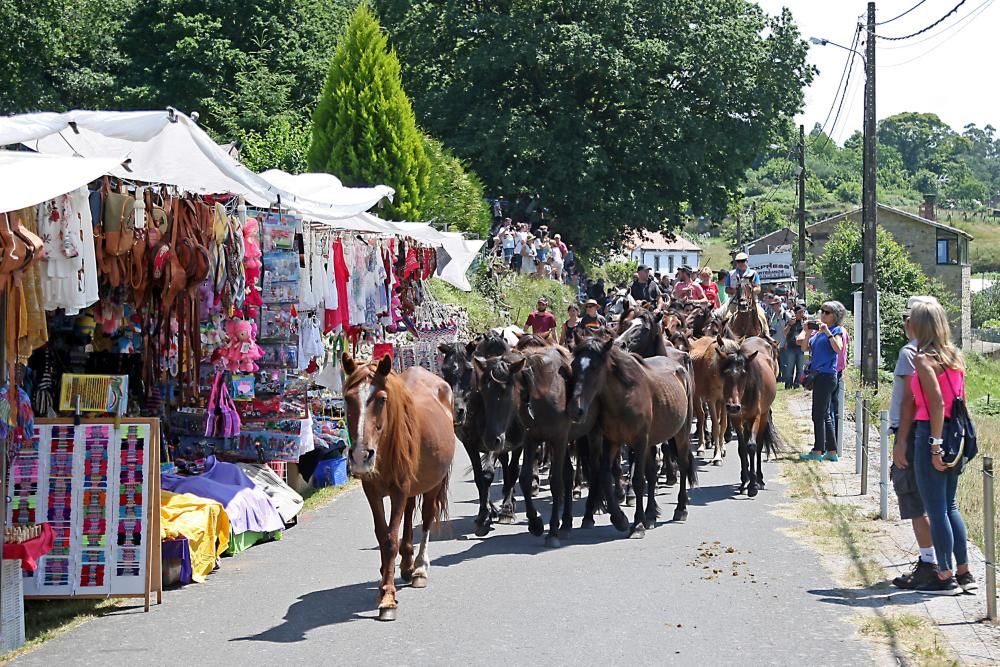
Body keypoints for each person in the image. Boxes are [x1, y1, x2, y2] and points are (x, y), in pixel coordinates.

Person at [902, 300, 975, 594]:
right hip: (956, 433)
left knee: (936, 508)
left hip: (930, 433)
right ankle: (964, 569)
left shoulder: (923, 359)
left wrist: (934, 445)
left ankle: (944, 575)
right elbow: (960, 401)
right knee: (950, 505)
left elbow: (936, 404)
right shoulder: (955, 357)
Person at [890, 296, 942, 591]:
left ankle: (928, 563)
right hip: (937, 432)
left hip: (912, 433)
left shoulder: (910, 354)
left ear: (914, 323)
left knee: (912, 497)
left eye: (907, 319)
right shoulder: (948, 353)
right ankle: (952, 566)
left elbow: (909, 400)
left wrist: (900, 441)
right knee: (942, 503)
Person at [799, 301, 846, 461]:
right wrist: (806, 332)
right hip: (818, 375)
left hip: (827, 375)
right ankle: (831, 451)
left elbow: (838, 348)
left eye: (827, 312)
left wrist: (828, 333)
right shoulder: (818, 333)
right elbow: (805, 348)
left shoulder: (835, 330)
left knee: (818, 414)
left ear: (835, 316)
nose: (823, 314)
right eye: (822, 311)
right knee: (823, 413)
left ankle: (818, 450)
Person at [782, 304, 806, 389]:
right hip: (791, 347)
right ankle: (788, 384)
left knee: (800, 368)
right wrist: (790, 324)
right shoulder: (791, 321)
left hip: (801, 348)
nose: (801, 314)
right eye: (799, 312)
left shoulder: (804, 322)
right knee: (789, 367)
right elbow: (784, 333)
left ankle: (797, 384)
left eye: (802, 312)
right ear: (795, 313)